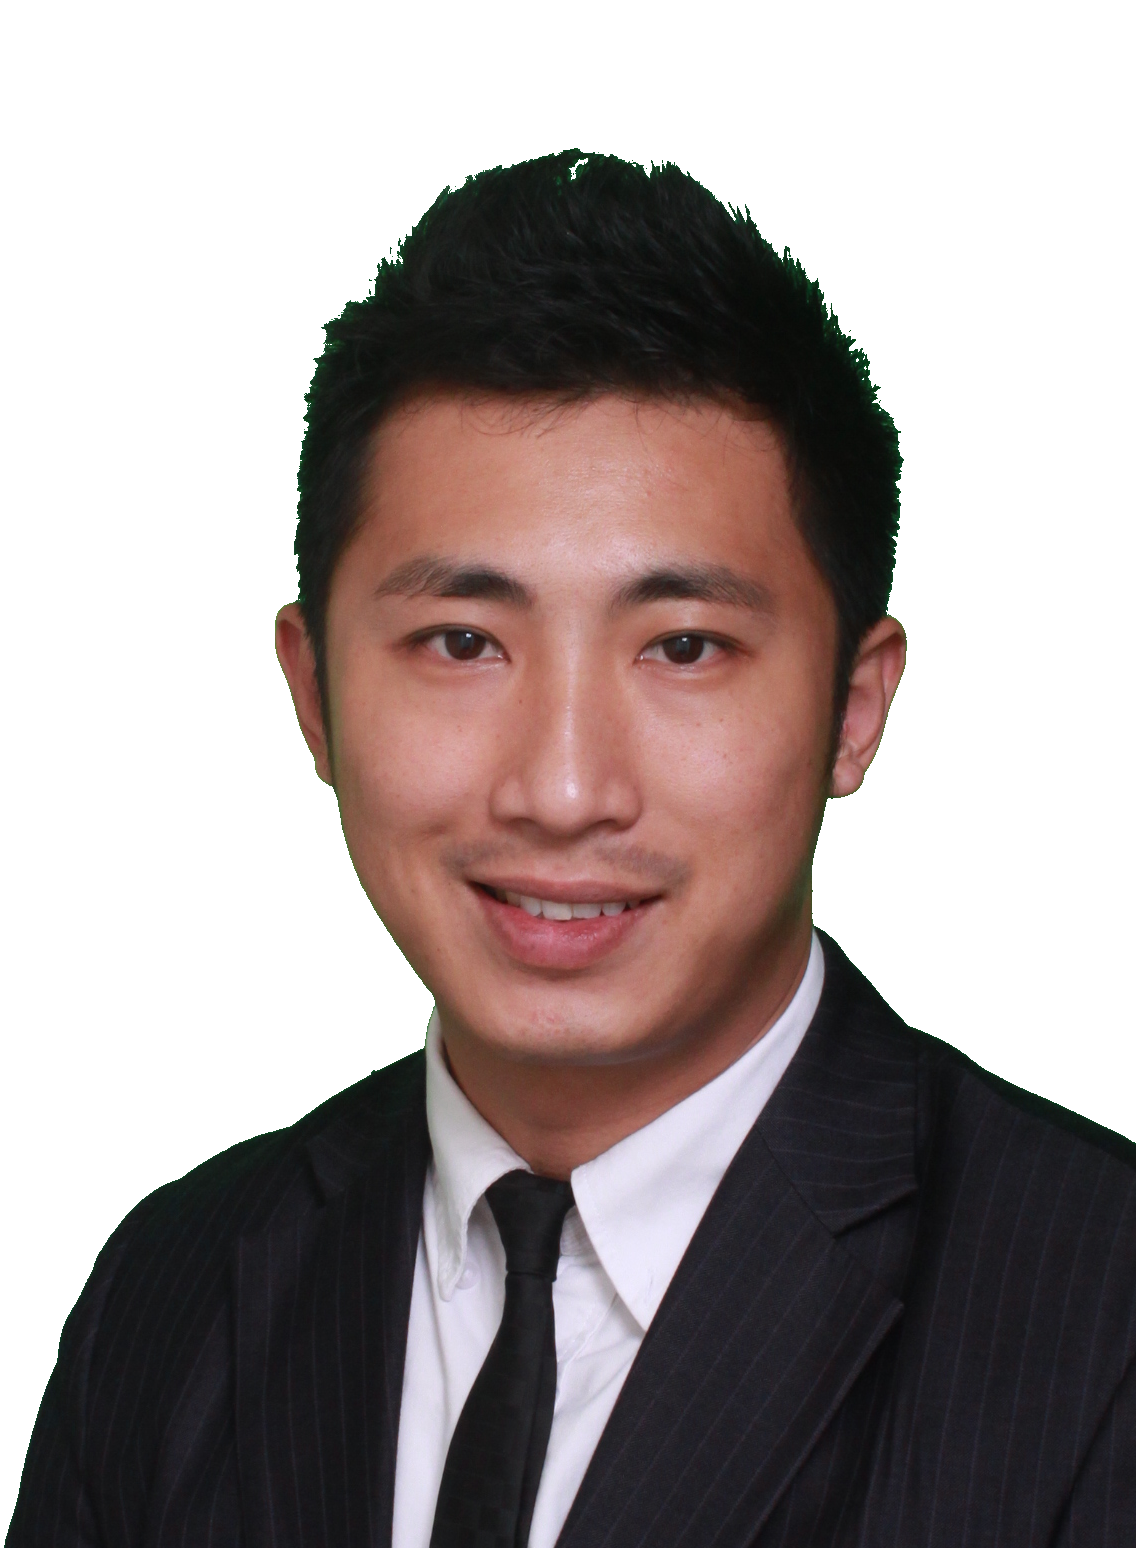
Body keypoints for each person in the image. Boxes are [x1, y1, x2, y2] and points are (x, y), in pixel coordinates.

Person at [8, 150, 1135, 1548]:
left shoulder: (1100, 1320)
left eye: (684, 647)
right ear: (315, 694)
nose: (560, 788)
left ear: (853, 709)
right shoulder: (171, 1294)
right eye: (462, 642)